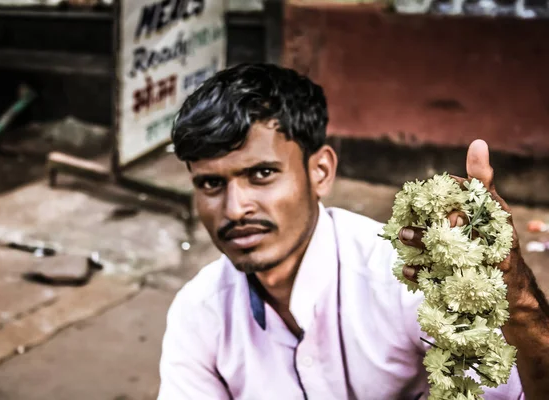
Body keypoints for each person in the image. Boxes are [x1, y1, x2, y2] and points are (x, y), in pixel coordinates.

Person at [157, 63, 549, 399]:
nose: (235, 207)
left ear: (320, 171)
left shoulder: (406, 279)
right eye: (210, 184)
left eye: (261, 174)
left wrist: (519, 304)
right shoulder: (200, 313)